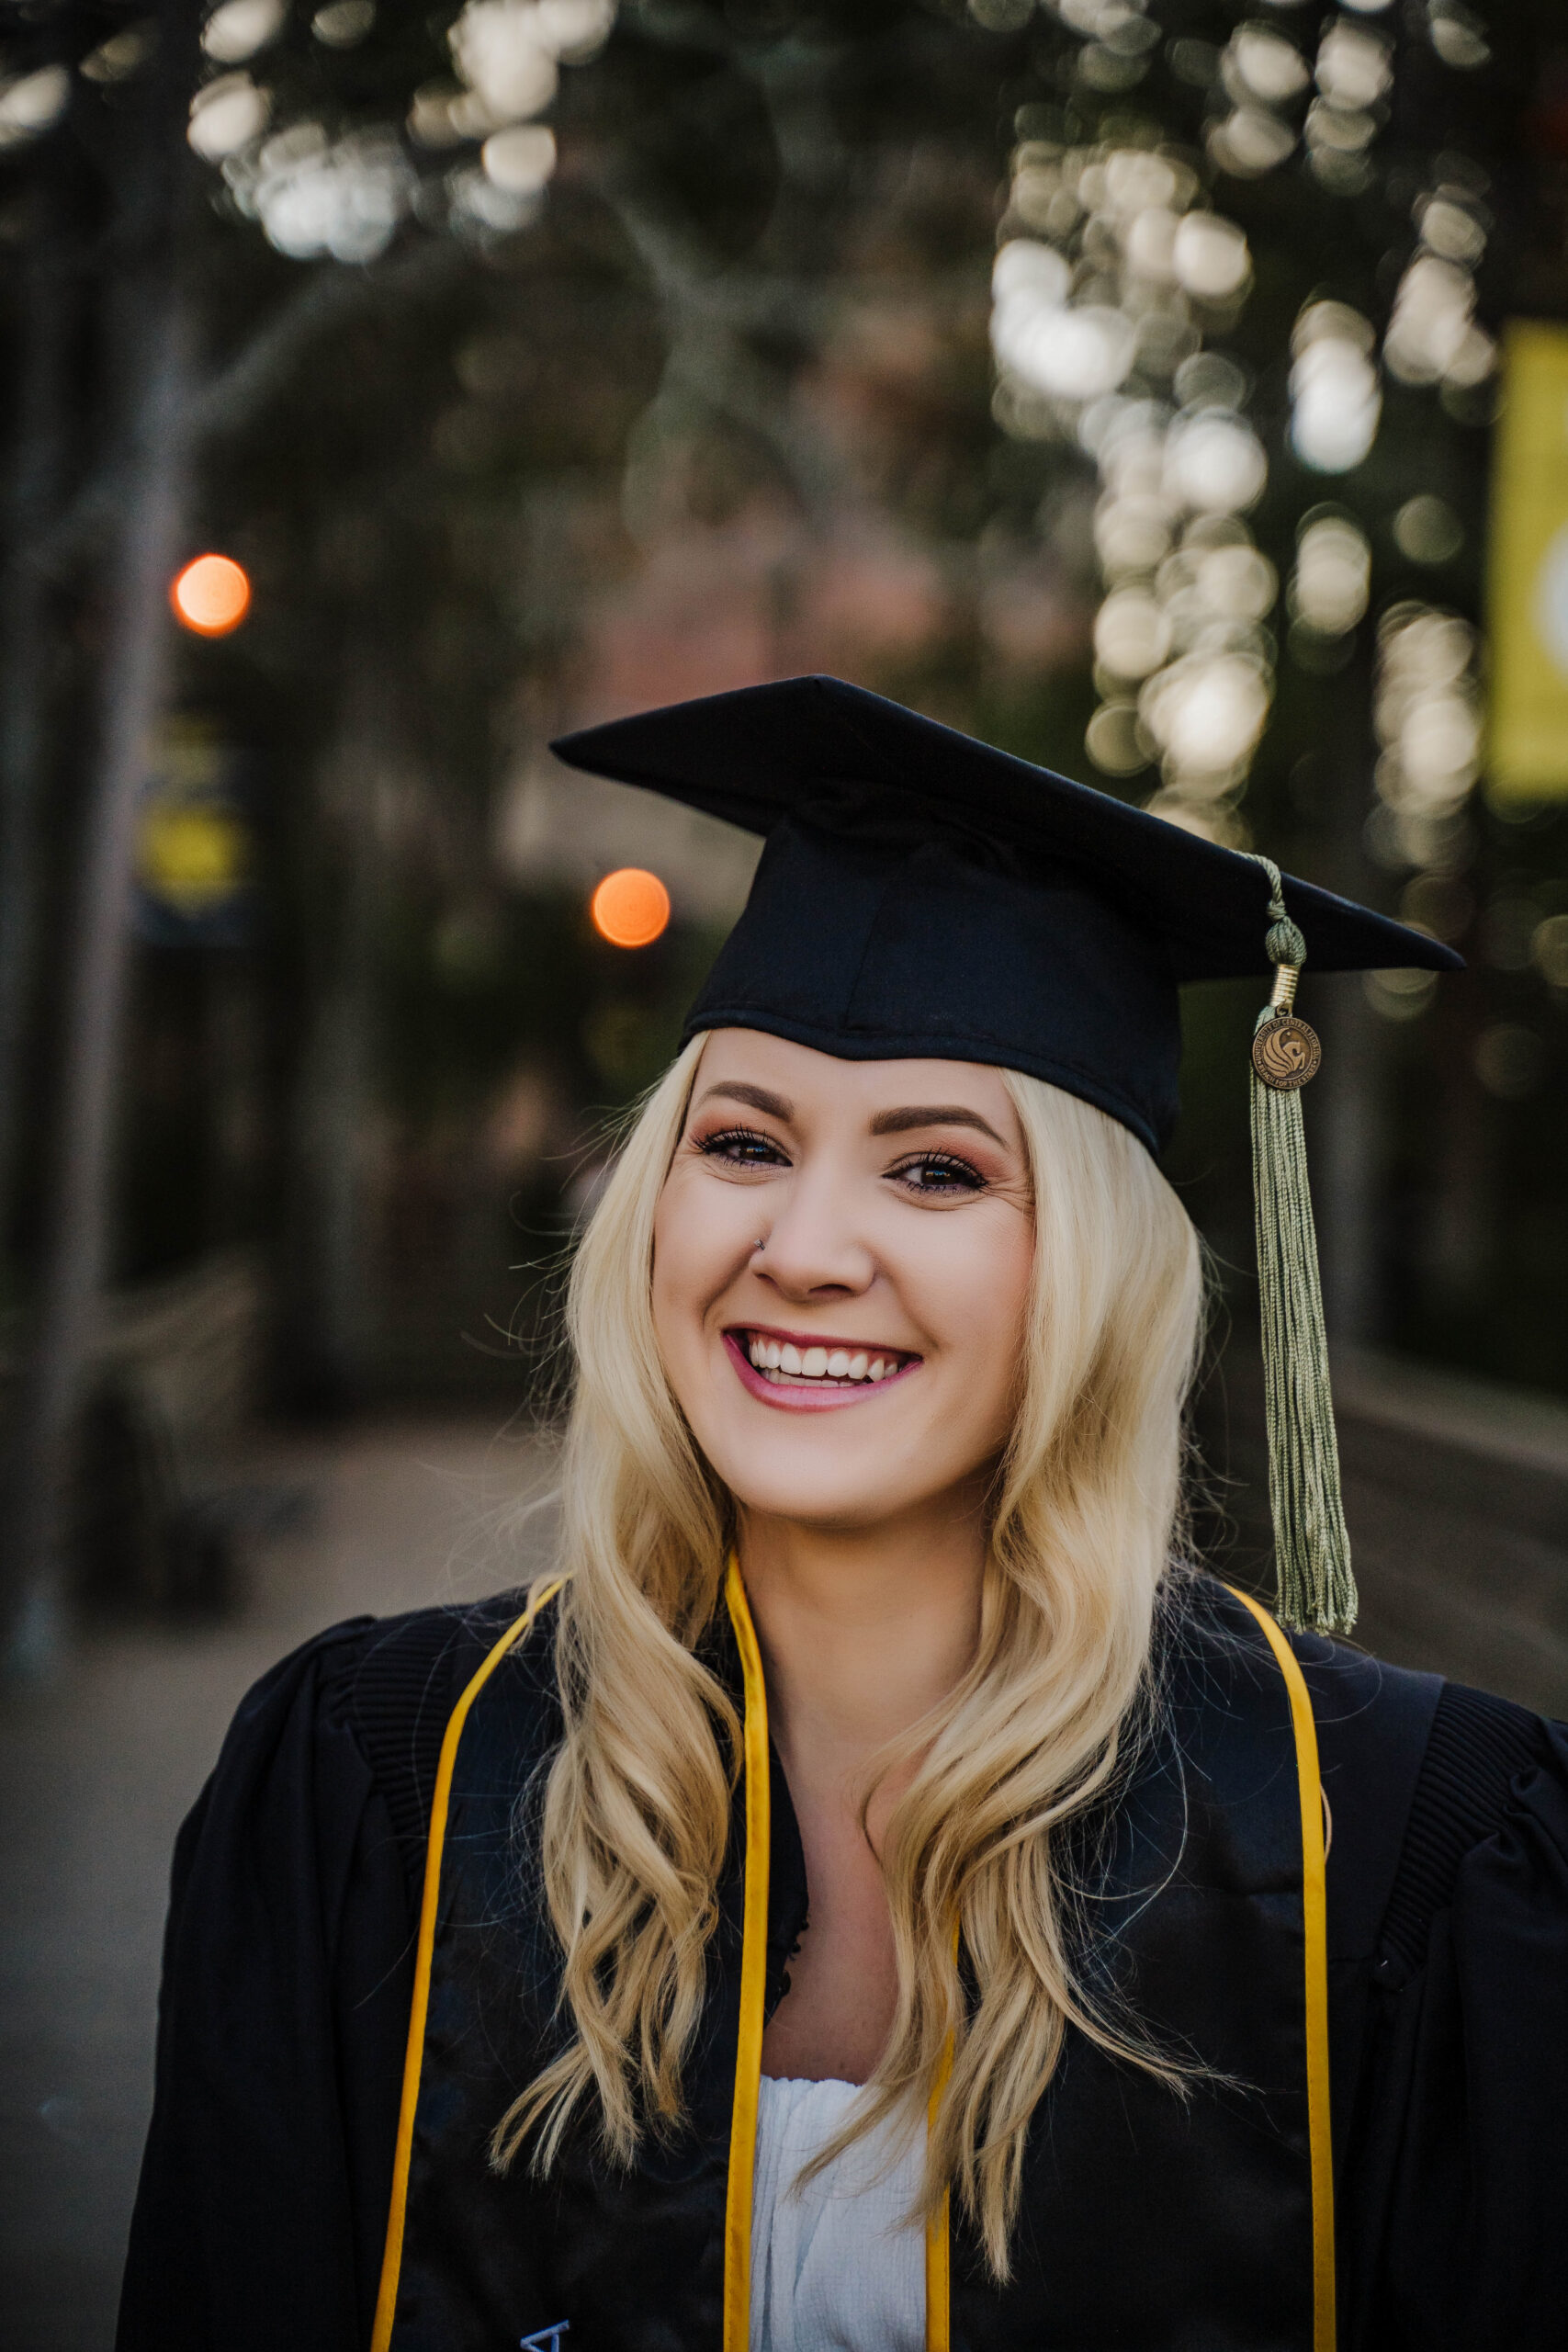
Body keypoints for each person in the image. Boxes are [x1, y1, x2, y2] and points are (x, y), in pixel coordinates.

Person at [118, 679, 1568, 2352]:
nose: (803, 1247)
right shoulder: (377, 1789)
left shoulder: (1399, 1857)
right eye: (742, 1143)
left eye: (937, 1169)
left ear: (1087, 1277)